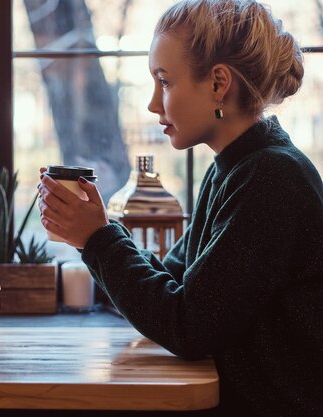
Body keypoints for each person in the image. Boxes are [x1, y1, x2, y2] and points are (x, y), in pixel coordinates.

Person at [38, 1, 323, 416]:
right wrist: (93, 233)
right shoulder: (235, 168)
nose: (154, 104)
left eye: (165, 82)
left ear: (218, 84)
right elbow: (171, 282)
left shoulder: (270, 177)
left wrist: (98, 238)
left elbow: (187, 326)